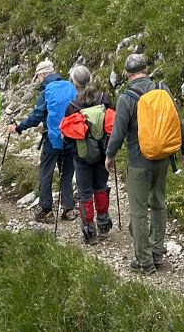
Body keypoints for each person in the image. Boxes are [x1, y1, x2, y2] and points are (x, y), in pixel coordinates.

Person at [106, 51, 184, 274]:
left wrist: (109, 155)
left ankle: (144, 261)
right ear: (146, 70)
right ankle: (157, 252)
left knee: (139, 210)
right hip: (163, 157)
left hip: (138, 161)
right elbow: (177, 119)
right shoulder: (162, 89)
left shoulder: (126, 98)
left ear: (126, 73)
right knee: (159, 203)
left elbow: (118, 132)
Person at [11, 59, 76, 221]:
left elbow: (36, 117)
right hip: (71, 137)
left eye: (38, 77)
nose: (39, 80)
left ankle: (47, 210)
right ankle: (69, 209)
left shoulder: (46, 91)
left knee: (46, 173)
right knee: (67, 173)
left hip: (52, 137)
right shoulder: (70, 86)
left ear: (43, 74)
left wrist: (18, 128)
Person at [63, 64, 114, 244]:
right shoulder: (104, 99)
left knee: (85, 193)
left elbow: (68, 137)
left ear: (73, 83)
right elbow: (112, 126)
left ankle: (89, 231)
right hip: (103, 153)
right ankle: (103, 224)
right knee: (101, 187)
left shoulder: (72, 106)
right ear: (89, 79)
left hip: (82, 156)